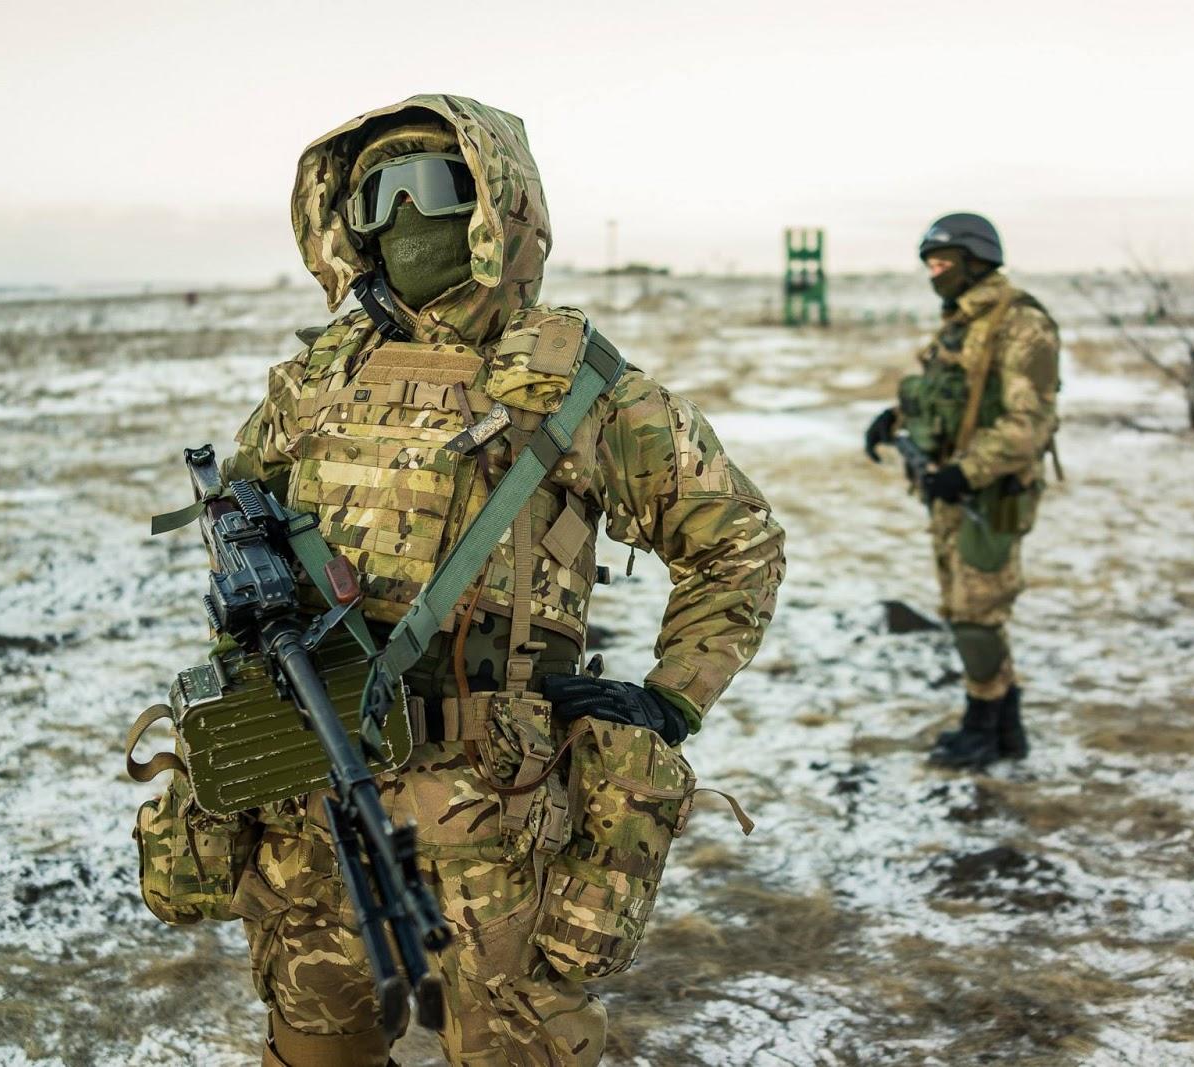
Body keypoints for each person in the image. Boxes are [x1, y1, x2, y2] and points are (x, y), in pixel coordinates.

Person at [221, 94, 785, 1067]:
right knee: (314, 1043)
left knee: (515, 1047)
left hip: (496, 820)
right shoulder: (315, 379)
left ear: (497, 203)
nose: (403, 216)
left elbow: (736, 542)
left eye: (430, 185)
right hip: (310, 794)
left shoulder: (581, 386)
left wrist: (670, 698)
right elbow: (244, 517)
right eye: (375, 196)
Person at [863, 212, 1060, 770]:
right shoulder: (962, 323)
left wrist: (965, 472)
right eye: (929, 263)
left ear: (977, 260)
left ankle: (984, 725)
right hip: (953, 489)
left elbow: (1029, 424)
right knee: (964, 608)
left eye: (943, 262)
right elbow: (946, 394)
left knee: (976, 613)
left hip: (991, 494)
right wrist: (894, 418)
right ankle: (1005, 729)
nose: (935, 272)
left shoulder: (1021, 324)